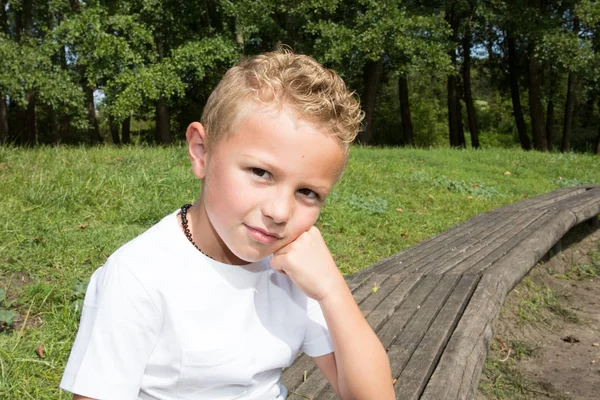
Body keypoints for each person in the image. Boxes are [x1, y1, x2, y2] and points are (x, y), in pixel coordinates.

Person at [60, 48, 395, 400]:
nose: (280, 212)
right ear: (202, 152)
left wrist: (331, 289)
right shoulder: (140, 276)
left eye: (308, 192)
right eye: (261, 173)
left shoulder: (295, 271)